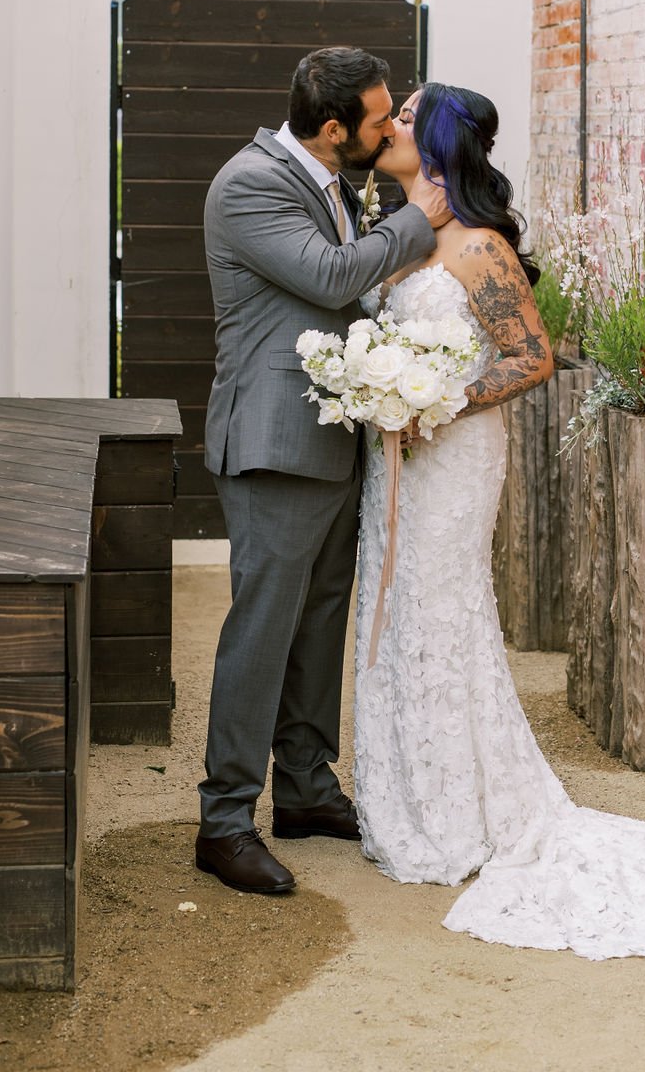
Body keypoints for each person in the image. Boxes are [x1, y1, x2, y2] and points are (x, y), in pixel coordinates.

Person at [354, 81, 645, 959]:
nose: (393, 126)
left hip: (452, 457)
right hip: (396, 459)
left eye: (408, 118)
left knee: (444, 615)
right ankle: (406, 803)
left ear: (440, 143)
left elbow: (532, 357)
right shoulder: (400, 237)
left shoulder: (480, 248)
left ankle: (462, 815)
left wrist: (439, 398)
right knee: (397, 614)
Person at [196, 46, 450, 896]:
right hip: (272, 443)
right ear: (334, 127)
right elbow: (330, 274)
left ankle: (304, 789)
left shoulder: (336, 181)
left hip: (334, 437)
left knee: (319, 625)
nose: (389, 130)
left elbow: (351, 301)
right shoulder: (249, 183)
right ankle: (224, 820)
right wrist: (421, 213)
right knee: (263, 631)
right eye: (379, 120)